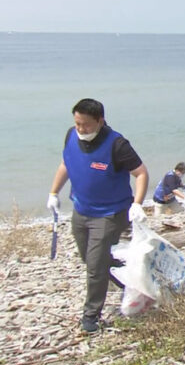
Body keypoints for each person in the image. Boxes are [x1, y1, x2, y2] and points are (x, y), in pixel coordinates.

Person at [46, 98, 149, 334]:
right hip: (81, 210)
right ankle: (125, 278)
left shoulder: (117, 145)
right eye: (77, 123)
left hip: (110, 213)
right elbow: (66, 163)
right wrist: (53, 192)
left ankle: (90, 317)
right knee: (90, 259)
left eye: (86, 125)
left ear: (100, 121)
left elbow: (141, 173)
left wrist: (137, 204)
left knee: (94, 267)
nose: (81, 129)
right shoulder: (71, 135)